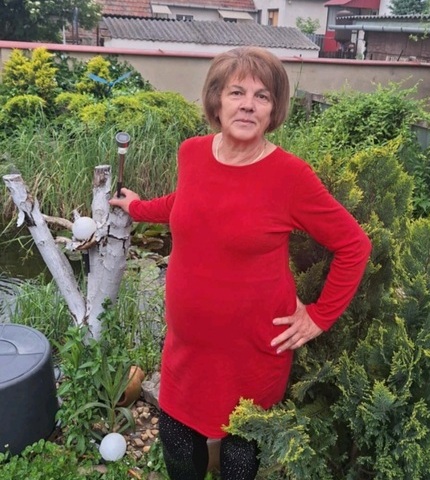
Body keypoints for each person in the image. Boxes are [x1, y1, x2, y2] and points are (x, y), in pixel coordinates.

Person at [109, 46, 371, 480]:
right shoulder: (192, 152)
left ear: (273, 110)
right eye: (237, 92)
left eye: (262, 96)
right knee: (177, 444)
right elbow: (186, 202)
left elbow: (354, 245)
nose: (248, 104)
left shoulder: (291, 177)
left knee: (239, 458)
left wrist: (319, 316)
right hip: (187, 350)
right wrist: (138, 208)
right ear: (216, 101)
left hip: (252, 357)